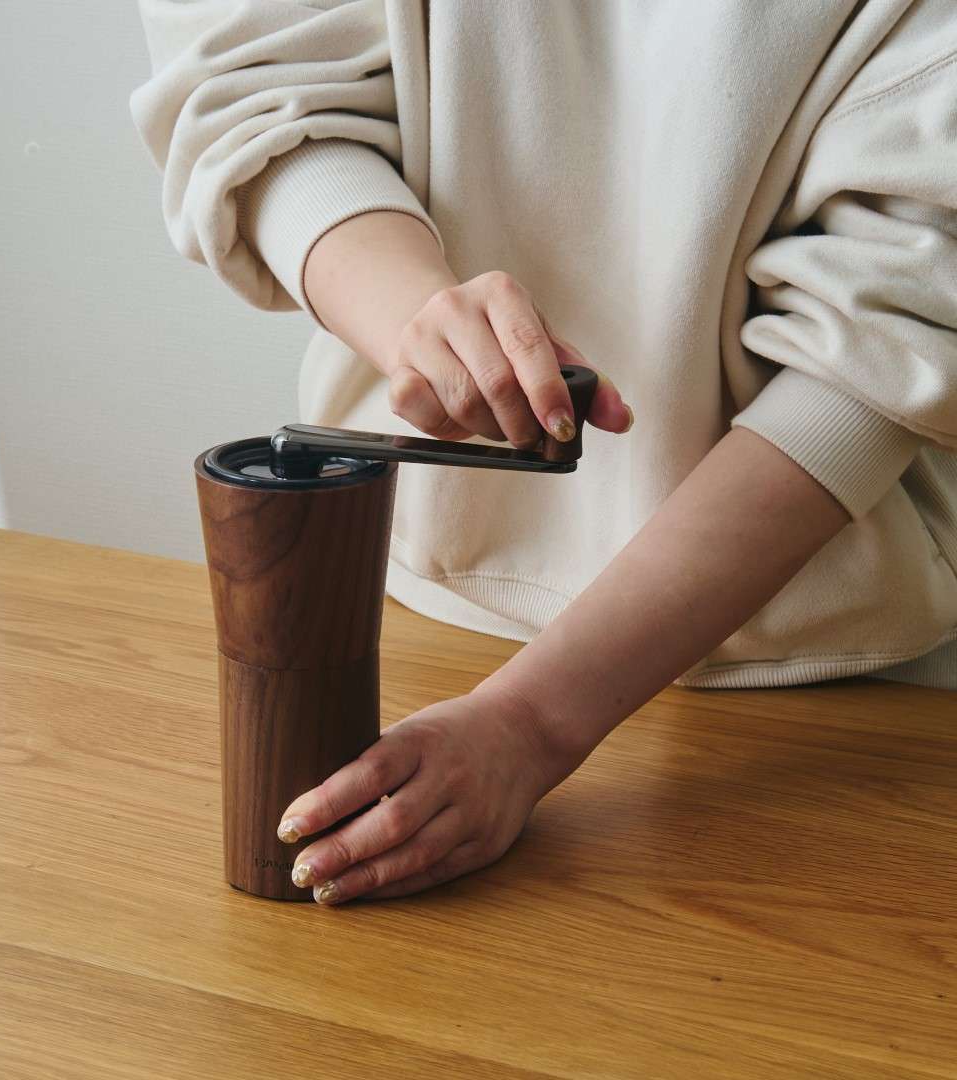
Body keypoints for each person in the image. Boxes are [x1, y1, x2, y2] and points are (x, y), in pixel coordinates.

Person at [131, 1, 957, 906]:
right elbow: (257, 82)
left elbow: (898, 330)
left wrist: (531, 723)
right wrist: (419, 323)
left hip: (830, 686)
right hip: (419, 607)